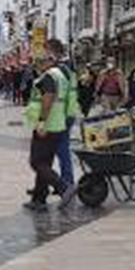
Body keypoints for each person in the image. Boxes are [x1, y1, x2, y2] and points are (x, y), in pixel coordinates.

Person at [25, 40, 79, 211]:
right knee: (45, 161)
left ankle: (64, 188)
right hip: (57, 123)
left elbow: (48, 98)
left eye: (39, 62)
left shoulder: (49, 76)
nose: (38, 66)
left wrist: (42, 121)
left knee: (36, 162)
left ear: (47, 61)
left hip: (47, 125)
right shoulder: (60, 75)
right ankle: (39, 198)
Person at [55, 55, 81, 188]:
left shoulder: (61, 77)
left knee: (61, 148)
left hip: (63, 115)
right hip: (70, 113)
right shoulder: (72, 76)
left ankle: (67, 180)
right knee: (62, 147)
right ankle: (65, 178)